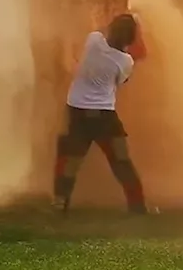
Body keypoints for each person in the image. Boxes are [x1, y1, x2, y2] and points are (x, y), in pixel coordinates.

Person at [52, 13, 149, 214]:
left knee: (69, 161)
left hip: (76, 112)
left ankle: (60, 204)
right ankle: (138, 207)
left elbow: (103, 29)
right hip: (104, 117)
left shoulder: (93, 40)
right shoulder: (124, 61)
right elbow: (121, 82)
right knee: (121, 162)